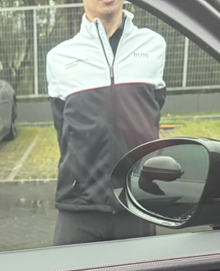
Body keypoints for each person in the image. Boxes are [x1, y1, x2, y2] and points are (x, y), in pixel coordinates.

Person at [47, 1, 167, 245]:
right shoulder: (58, 57)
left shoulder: (153, 45)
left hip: (136, 204)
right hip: (78, 208)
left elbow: (152, 116)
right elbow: (63, 131)